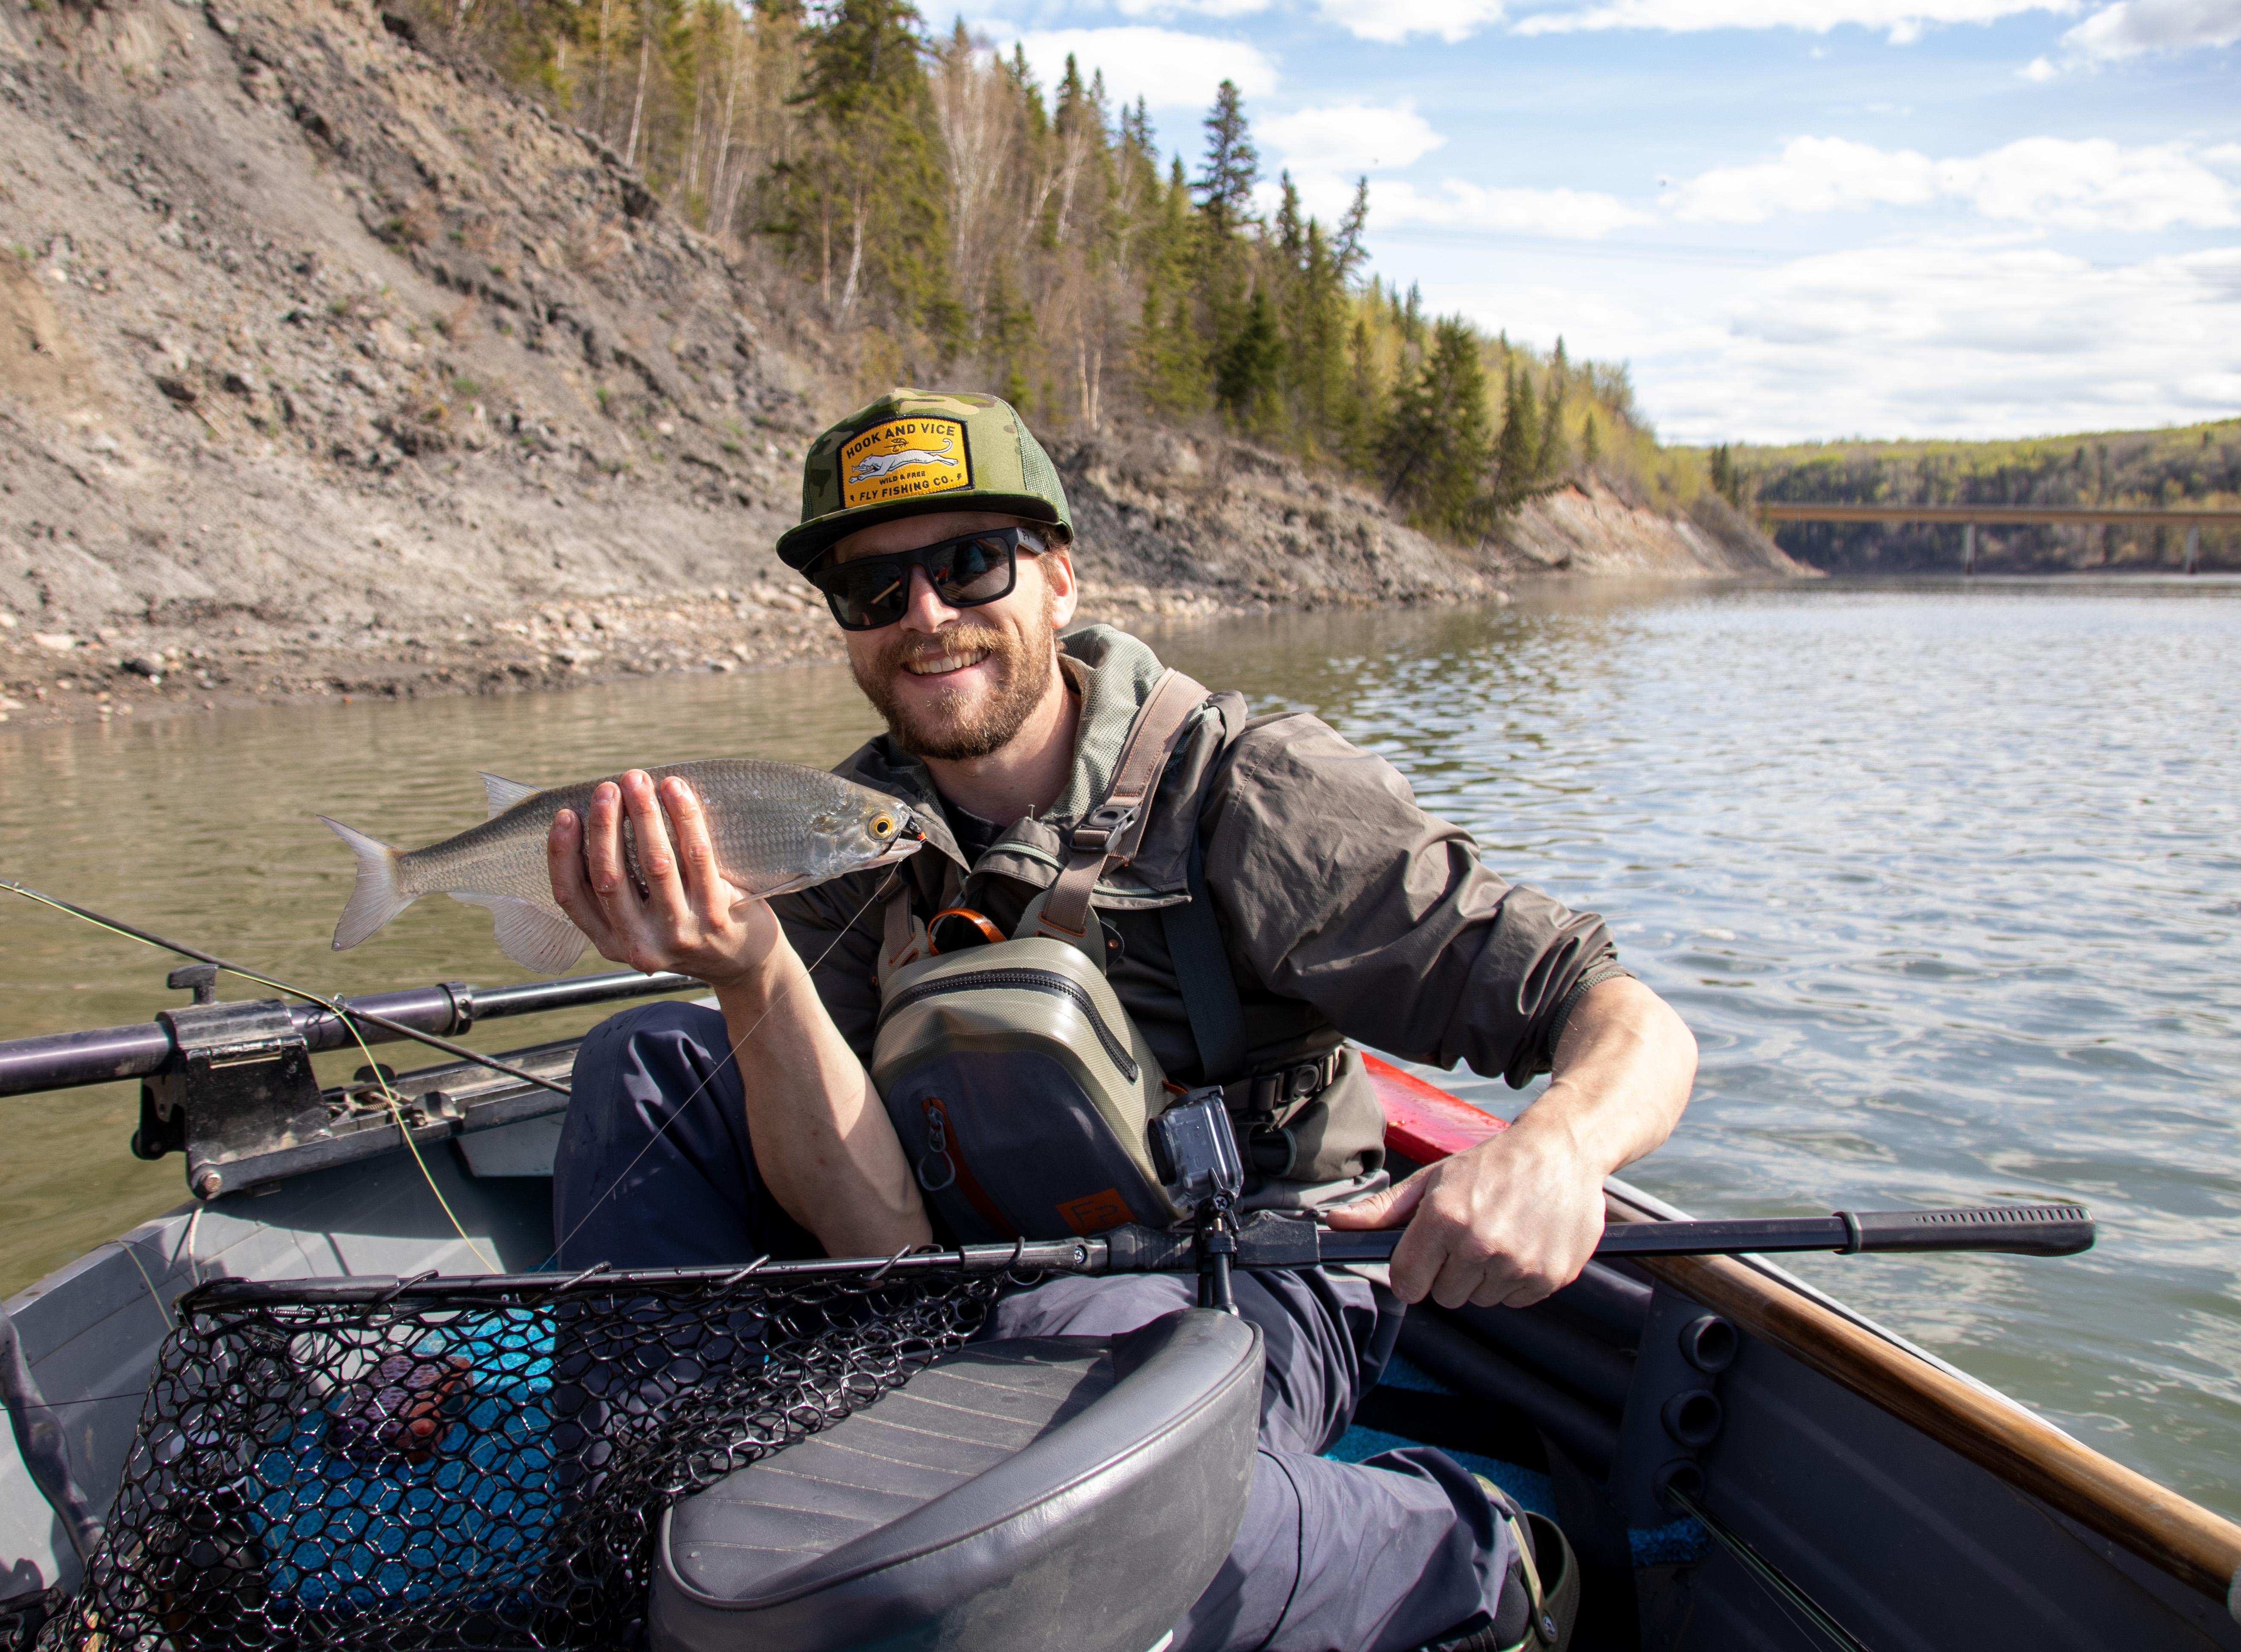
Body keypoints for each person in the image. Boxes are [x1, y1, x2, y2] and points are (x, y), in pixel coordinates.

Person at [542, 390, 1697, 1652]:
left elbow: (1619, 1015)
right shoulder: (842, 834)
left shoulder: (1255, 792)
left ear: (1060, 580)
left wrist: (1561, 1148)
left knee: (1039, 1416)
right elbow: (881, 1229)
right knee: (647, 1060)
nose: (925, 618)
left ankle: (1466, 1560)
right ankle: (651, 1527)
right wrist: (751, 967)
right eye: (872, 591)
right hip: (970, 1261)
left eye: (969, 563)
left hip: (1246, 1269)